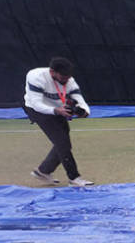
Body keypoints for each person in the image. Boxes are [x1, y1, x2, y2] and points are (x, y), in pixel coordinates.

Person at [24, 57, 93, 187]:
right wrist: (56, 111)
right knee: (62, 143)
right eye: (63, 76)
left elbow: (79, 99)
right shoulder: (36, 77)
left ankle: (43, 171)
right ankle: (74, 178)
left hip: (58, 108)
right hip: (37, 110)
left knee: (63, 143)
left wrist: (84, 111)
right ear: (52, 72)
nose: (66, 80)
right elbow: (36, 103)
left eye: (68, 77)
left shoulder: (69, 80)